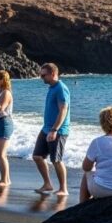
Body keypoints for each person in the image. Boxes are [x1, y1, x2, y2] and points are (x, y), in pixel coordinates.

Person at [32, 63, 70, 196]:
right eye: (41, 75)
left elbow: (63, 110)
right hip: (46, 128)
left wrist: (54, 130)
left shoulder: (61, 88)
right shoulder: (52, 88)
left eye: (44, 75)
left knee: (56, 160)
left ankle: (63, 189)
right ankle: (47, 184)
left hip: (58, 130)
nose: (41, 78)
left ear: (53, 74)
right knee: (37, 156)